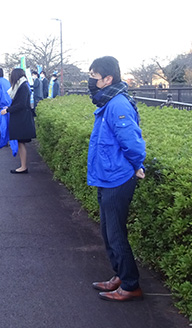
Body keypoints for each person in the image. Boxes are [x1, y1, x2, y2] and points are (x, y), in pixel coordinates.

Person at [87, 56, 146, 302]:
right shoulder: (108, 101)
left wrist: (137, 165)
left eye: (94, 78)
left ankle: (130, 284)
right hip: (107, 176)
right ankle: (120, 275)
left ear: (108, 79)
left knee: (115, 233)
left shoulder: (118, 104)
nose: (91, 82)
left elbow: (132, 142)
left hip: (117, 178)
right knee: (107, 231)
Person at [0, 68, 36, 174]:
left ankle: (23, 167)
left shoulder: (23, 86)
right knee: (20, 142)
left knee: (21, 142)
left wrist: (8, 110)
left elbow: (21, 104)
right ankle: (22, 166)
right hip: (21, 118)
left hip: (22, 119)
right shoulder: (22, 85)